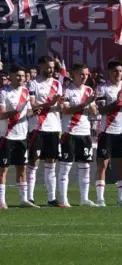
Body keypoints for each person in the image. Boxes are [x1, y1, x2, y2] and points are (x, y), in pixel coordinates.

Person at [94, 60, 122, 207]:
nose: (118, 74)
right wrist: (116, 102)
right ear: (109, 72)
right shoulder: (102, 88)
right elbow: (102, 110)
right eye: (115, 71)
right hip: (107, 131)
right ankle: (100, 199)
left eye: (120, 71)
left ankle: (121, 199)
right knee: (103, 164)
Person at [25, 56, 64, 206]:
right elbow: (32, 105)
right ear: (40, 67)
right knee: (33, 162)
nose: (50, 70)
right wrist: (50, 103)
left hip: (54, 127)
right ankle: (29, 197)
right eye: (48, 67)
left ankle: (51, 198)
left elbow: (60, 107)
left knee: (51, 162)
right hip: (37, 127)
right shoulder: (33, 84)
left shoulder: (57, 84)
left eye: (52, 67)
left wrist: (60, 104)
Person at [57, 64, 97, 207]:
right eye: (81, 74)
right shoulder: (67, 90)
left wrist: (92, 105)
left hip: (85, 133)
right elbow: (65, 110)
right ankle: (63, 199)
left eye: (86, 74)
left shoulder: (89, 90)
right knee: (66, 167)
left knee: (85, 166)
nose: (84, 77)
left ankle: (84, 199)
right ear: (73, 74)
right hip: (70, 132)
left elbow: (94, 113)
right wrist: (84, 103)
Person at [0, 65, 35, 208]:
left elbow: (28, 112)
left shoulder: (26, 92)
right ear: (11, 76)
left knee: (22, 168)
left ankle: (23, 199)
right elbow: (1, 114)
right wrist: (14, 112)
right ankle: (2, 201)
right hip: (6, 135)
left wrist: (34, 112)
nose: (21, 79)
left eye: (23, 76)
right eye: (18, 76)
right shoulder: (3, 92)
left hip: (22, 135)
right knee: (3, 168)